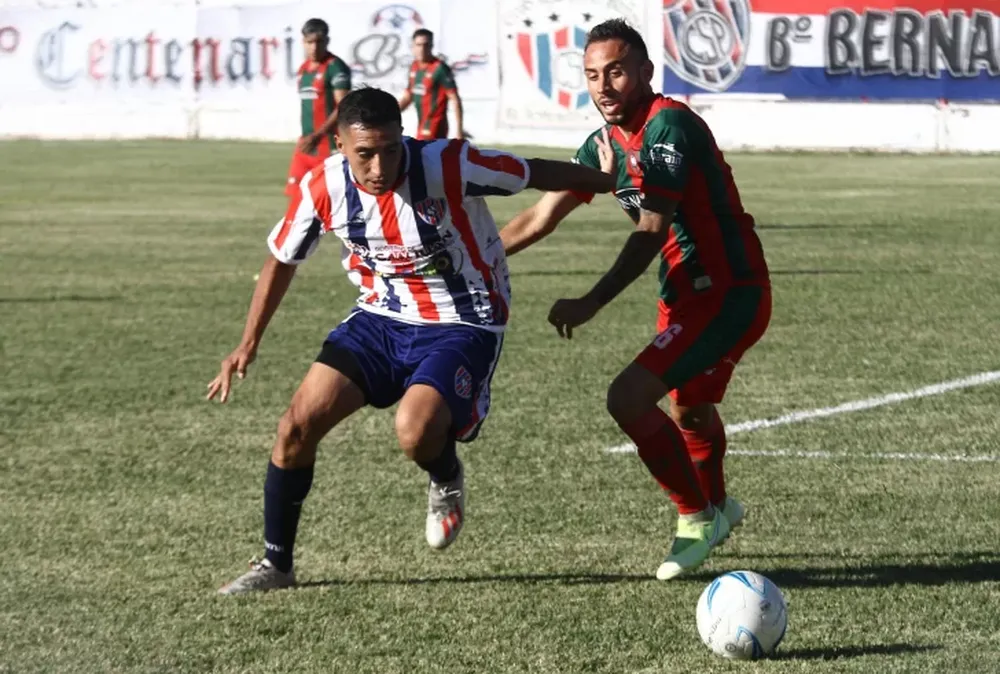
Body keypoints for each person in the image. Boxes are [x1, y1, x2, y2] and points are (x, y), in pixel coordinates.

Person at [209, 86, 616, 595]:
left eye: (390, 149)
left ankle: (444, 474)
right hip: (380, 316)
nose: (380, 166)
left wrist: (606, 180)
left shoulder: (447, 163)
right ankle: (277, 565)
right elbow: (282, 259)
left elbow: (533, 171)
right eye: (365, 154)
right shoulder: (323, 187)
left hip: (464, 318)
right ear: (339, 146)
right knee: (295, 425)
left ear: (404, 138)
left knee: (414, 431)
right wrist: (248, 343)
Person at [499, 19, 771, 581]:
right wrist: (473, 256)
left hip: (728, 293)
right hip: (685, 298)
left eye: (617, 72)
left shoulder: (668, 125)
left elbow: (650, 231)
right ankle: (717, 509)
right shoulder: (601, 146)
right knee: (689, 407)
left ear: (646, 72)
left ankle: (695, 519)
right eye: (593, 75)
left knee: (628, 396)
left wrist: (590, 302)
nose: (604, 87)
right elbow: (540, 216)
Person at [284, 18, 352, 197]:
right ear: (303, 42)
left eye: (319, 42)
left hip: (329, 144)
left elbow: (343, 106)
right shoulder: (303, 69)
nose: (314, 47)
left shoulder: (335, 67)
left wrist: (319, 135)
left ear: (327, 41)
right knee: (296, 194)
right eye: (310, 42)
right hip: (307, 143)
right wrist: (311, 137)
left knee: (327, 197)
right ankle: (294, 226)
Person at [398, 29, 463, 140]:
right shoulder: (414, 67)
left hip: (435, 126)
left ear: (432, 46)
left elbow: (455, 98)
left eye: (426, 45)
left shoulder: (440, 68)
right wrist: (388, 114)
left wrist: (459, 131)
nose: (422, 49)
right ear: (412, 46)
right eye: (418, 45)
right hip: (421, 125)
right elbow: (409, 96)